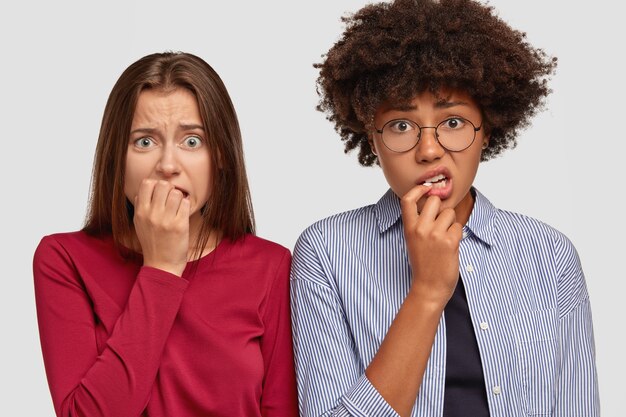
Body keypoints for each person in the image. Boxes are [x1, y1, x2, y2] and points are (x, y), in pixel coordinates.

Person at [289, 0, 599, 416]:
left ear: (486, 129)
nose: (429, 149)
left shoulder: (550, 255)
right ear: (372, 137)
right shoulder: (326, 252)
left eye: (452, 122)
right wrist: (427, 293)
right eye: (401, 126)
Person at [33, 52, 298, 417]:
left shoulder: (270, 265)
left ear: (220, 155)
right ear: (116, 157)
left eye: (192, 141)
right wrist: (161, 270)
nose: (168, 165)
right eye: (144, 142)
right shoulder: (64, 259)